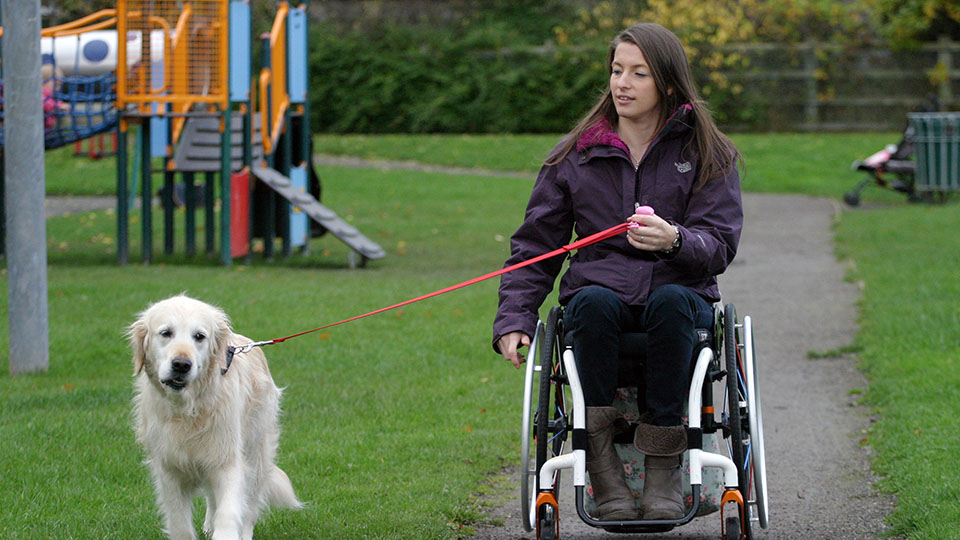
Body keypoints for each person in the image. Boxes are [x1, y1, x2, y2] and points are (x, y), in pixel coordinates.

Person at [493, 23, 743, 521]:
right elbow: (537, 246)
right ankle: (601, 463)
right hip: (598, 297)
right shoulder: (575, 155)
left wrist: (674, 239)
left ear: (668, 85)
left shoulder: (706, 152)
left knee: (673, 302)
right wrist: (515, 318)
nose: (621, 83)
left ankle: (663, 467)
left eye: (638, 73)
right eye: (616, 70)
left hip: (678, 296)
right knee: (590, 302)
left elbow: (718, 245)